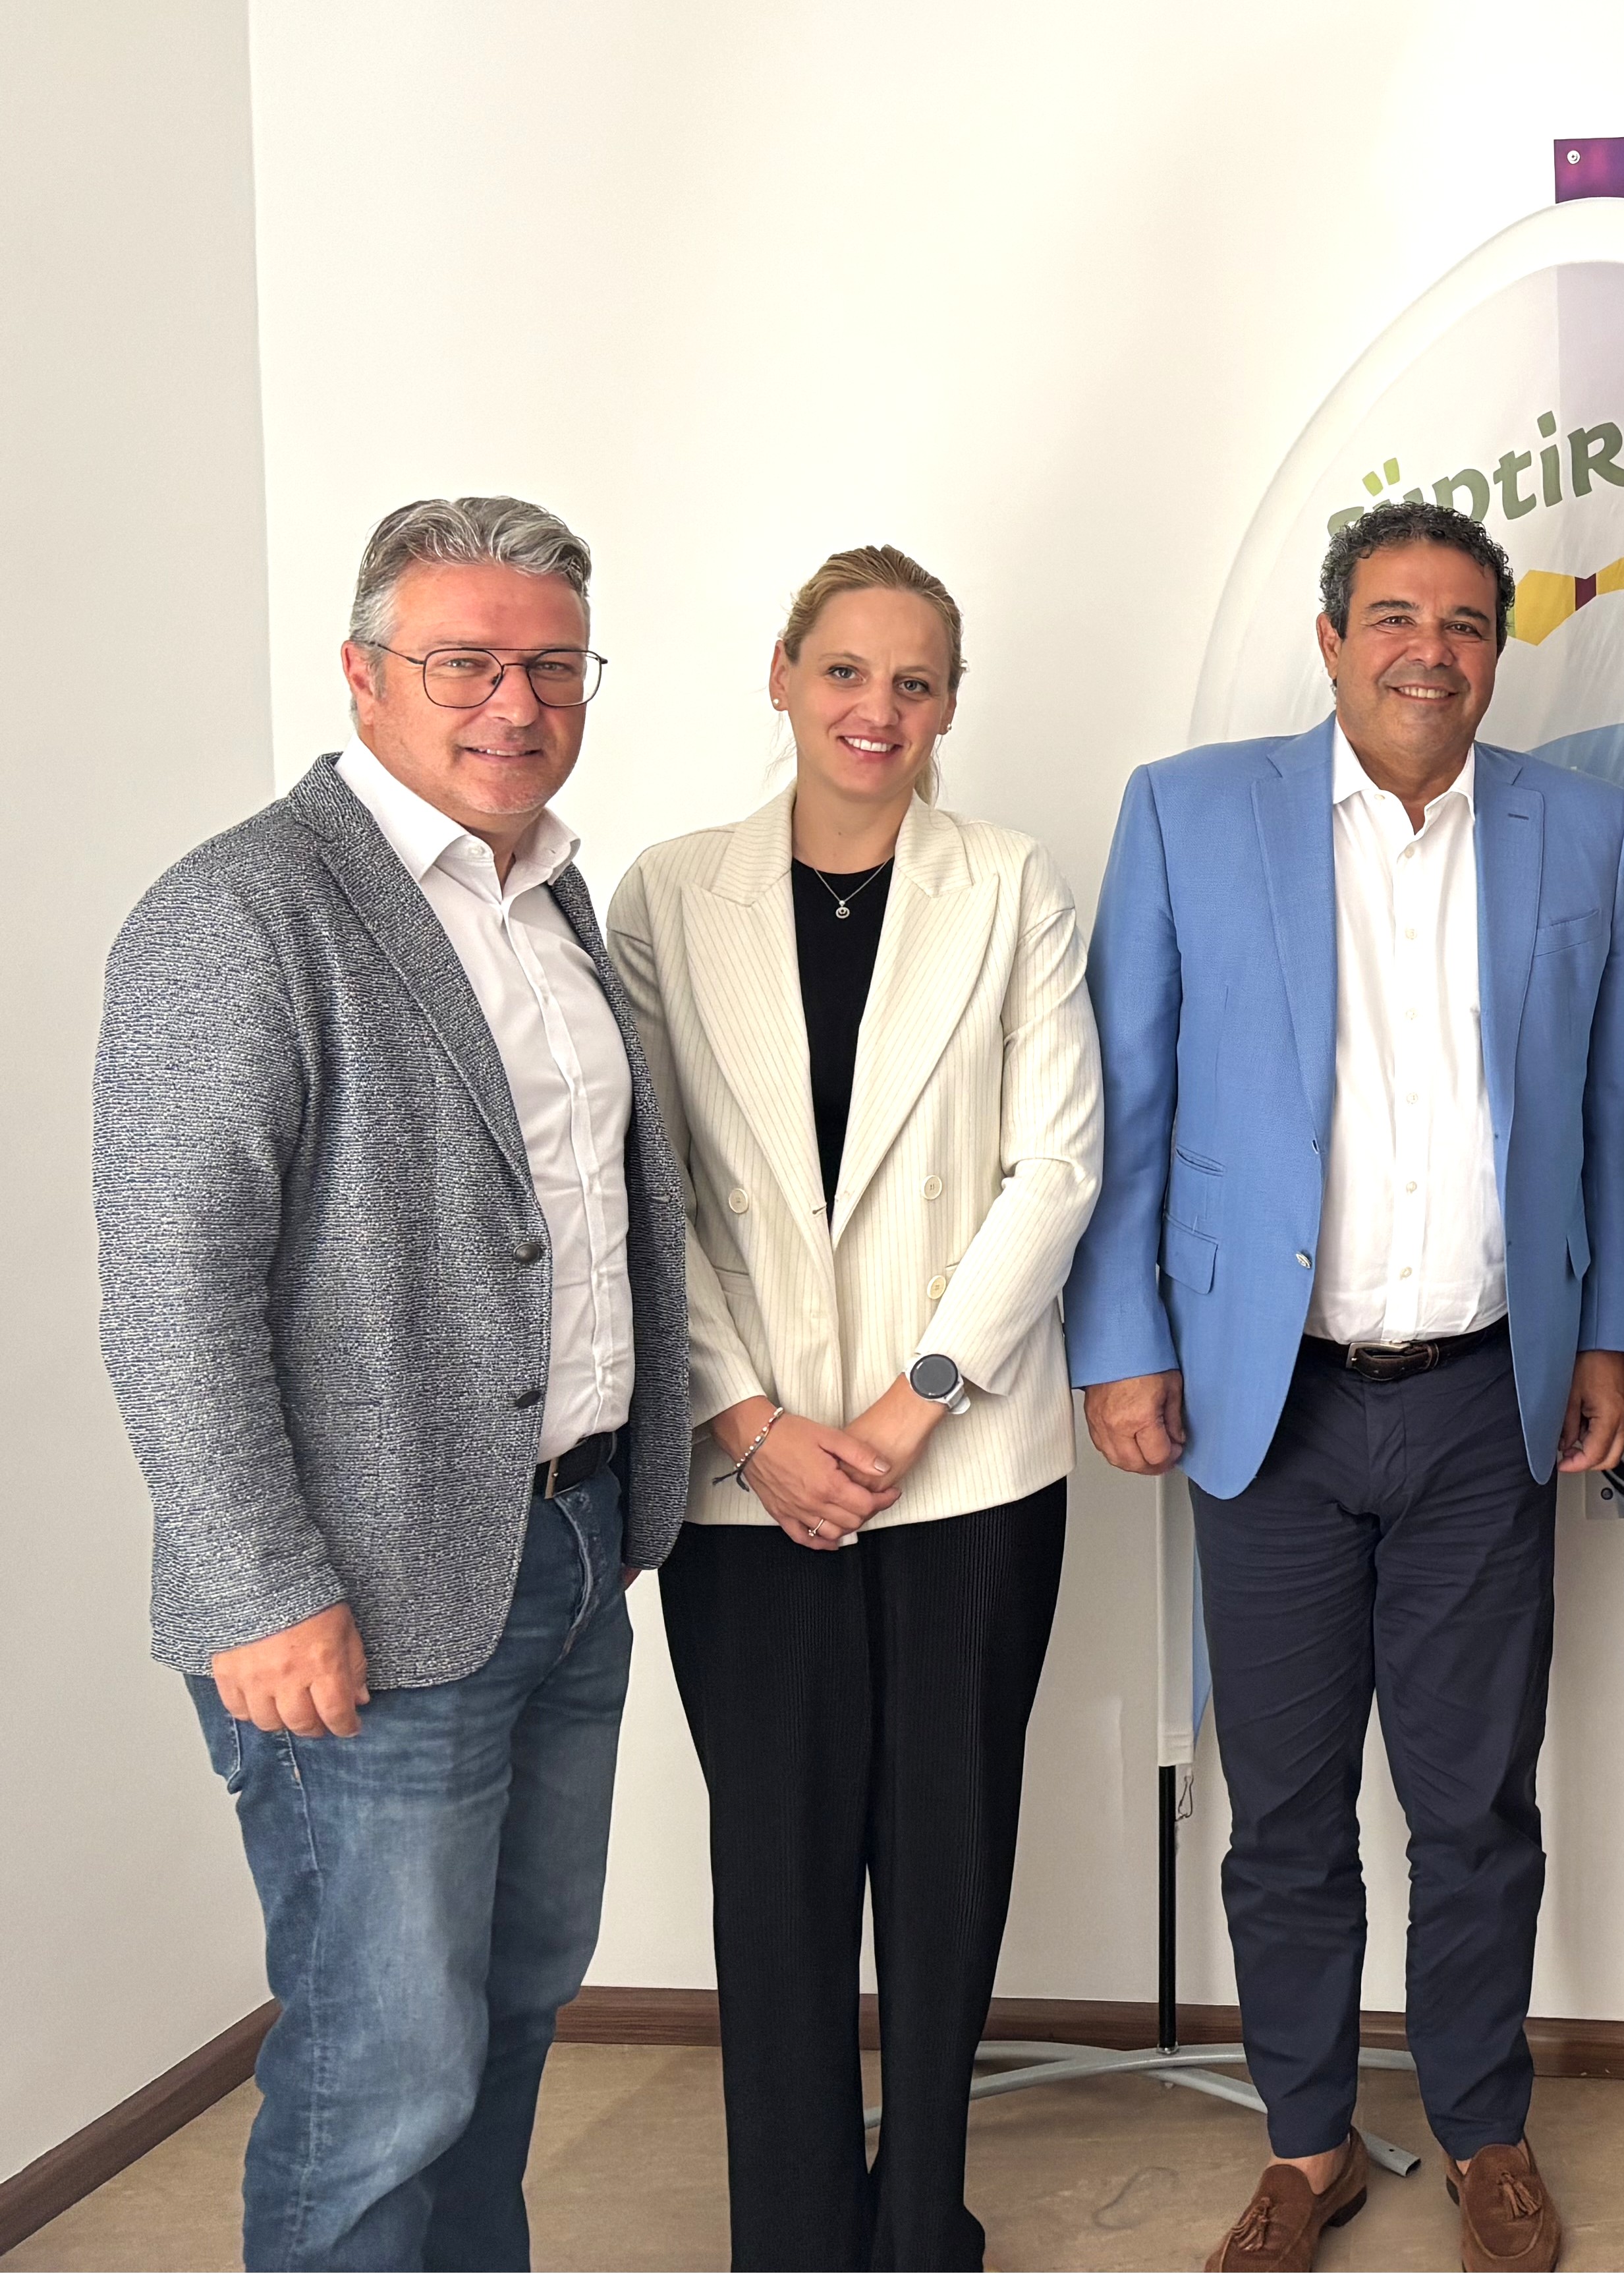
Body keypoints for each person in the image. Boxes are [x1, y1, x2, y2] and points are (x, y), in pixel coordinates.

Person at [95, 496, 688, 2271]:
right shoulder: (241, 911)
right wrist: (262, 1589)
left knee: (512, 2017)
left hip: (567, 1552)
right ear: (363, 676)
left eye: (554, 667)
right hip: (354, 1599)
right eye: (465, 663)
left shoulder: (552, 897)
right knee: (381, 2077)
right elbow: (171, 1287)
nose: (517, 703)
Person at [1065, 497, 1624, 2274]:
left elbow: (1608, 1116)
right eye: (1393, 616)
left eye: (1464, 622)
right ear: (1331, 639)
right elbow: (1127, 1100)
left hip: (1488, 1396)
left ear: (1498, 648)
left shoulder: (1585, 830)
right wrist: (1122, 1339)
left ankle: (1485, 2131)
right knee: (1289, 1809)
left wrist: (1609, 1335)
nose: (1429, 650)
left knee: (1476, 1803)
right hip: (1269, 1403)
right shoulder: (1188, 812)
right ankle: (1306, 2142)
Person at [605, 545, 1101, 2271]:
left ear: (950, 704)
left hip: (964, 1470)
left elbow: (1058, 1166)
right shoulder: (668, 894)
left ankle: (921, 2223)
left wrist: (907, 1410)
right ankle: (796, 2236)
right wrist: (750, 1421)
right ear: (782, 674)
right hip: (743, 1483)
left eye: (914, 680)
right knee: (778, 1875)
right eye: (845, 671)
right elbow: (645, 1191)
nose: (876, 709)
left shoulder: (1010, 882)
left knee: (948, 1866)